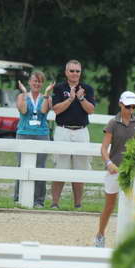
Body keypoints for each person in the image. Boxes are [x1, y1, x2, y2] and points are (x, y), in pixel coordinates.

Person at [95, 91, 135, 247]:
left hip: (133, 171)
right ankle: (100, 235)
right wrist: (109, 163)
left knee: (132, 205)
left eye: (133, 107)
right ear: (121, 105)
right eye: (128, 106)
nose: (131, 110)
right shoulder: (113, 123)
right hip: (114, 169)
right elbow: (104, 148)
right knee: (109, 206)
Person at [51, 59, 95, 209]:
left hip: (81, 131)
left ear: (80, 73)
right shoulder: (59, 88)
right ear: (66, 72)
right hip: (63, 130)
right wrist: (70, 99)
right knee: (60, 167)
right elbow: (56, 109)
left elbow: (90, 110)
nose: (75, 73)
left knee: (80, 169)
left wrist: (81, 98)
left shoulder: (87, 89)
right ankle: (55, 203)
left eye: (77, 71)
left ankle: (78, 204)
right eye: (72, 71)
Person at [13, 71, 55, 207]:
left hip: (41, 134)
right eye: (34, 81)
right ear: (29, 82)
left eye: (40, 81)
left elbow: (43, 111)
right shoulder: (21, 96)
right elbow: (24, 111)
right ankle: (18, 198)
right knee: (21, 165)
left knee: (40, 167)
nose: (37, 84)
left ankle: (38, 200)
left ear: (42, 84)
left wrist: (47, 93)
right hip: (24, 133)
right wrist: (25, 93)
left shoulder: (46, 97)